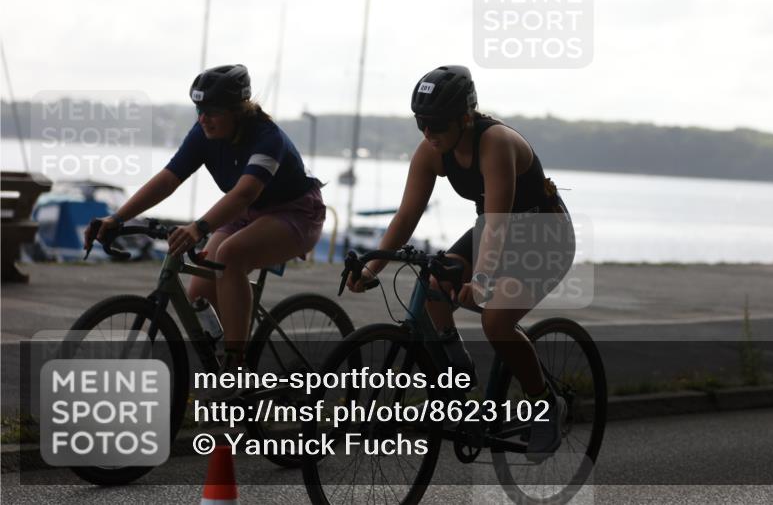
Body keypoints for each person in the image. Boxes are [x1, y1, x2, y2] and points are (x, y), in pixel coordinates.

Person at [345, 65, 576, 462]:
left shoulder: (496, 142)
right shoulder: (430, 151)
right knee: (433, 284)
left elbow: (498, 221)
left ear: (465, 117)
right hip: (494, 231)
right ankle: (458, 371)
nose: (428, 133)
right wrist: (372, 268)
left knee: (496, 321)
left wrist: (483, 278)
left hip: (543, 236)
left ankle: (544, 403)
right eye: (421, 123)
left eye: (436, 124)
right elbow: (405, 217)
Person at [84, 64, 326, 371]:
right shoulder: (204, 133)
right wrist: (116, 218)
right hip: (248, 213)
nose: (203, 118)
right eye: (199, 109)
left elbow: (244, 193)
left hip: (297, 213)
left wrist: (199, 227)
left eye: (212, 111)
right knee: (200, 293)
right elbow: (169, 179)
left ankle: (236, 366)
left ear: (238, 110)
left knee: (230, 255)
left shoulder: (267, 138)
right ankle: (232, 355)